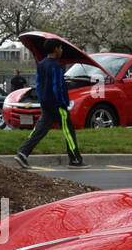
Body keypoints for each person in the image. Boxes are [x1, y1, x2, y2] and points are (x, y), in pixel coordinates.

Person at [15, 38, 82, 168]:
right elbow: (57, 87)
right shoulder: (56, 66)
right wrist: (63, 102)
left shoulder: (42, 64)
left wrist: (42, 100)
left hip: (45, 103)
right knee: (68, 130)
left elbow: (39, 85)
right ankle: (75, 159)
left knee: (40, 130)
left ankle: (22, 153)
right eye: (61, 48)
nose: (62, 50)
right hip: (57, 104)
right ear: (56, 48)